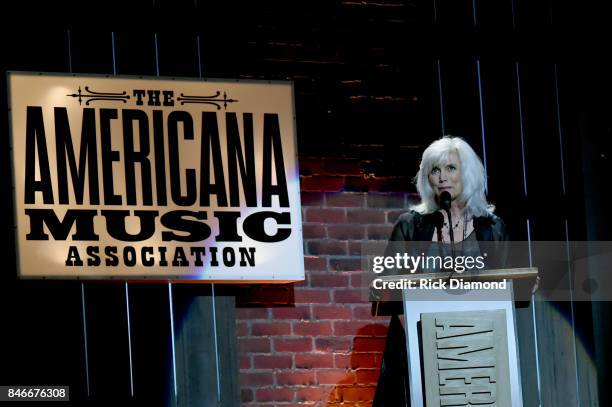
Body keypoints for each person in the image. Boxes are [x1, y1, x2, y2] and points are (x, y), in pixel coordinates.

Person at [372, 135, 509, 406]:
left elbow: (501, 286)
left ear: (466, 174)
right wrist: (423, 338)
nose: (442, 177)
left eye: (450, 168)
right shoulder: (410, 225)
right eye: (435, 170)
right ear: (427, 178)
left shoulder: (492, 228)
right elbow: (386, 287)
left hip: (475, 348)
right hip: (419, 346)